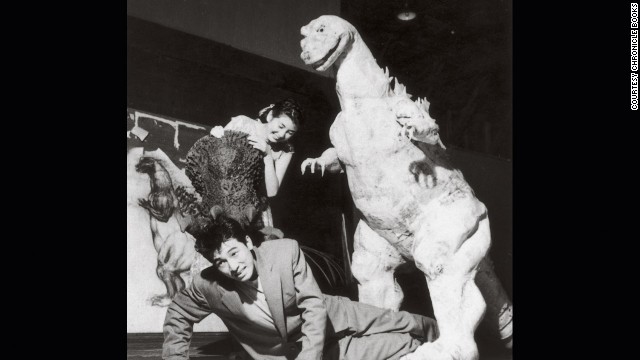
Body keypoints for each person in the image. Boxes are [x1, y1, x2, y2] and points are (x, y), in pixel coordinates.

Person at [163, 215, 439, 360]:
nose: (232, 266)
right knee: (401, 344)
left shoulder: (284, 252)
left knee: (403, 322)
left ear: (247, 242)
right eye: (221, 262)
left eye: (234, 253)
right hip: (299, 352)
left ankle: (450, 333)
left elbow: (313, 307)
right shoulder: (208, 284)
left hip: (328, 314)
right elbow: (178, 314)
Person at [213, 99, 302, 227]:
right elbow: (215, 160)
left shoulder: (286, 150)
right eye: (281, 126)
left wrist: (268, 155)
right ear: (271, 116)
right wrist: (215, 137)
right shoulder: (242, 123)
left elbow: (272, 192)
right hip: (222, 195)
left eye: (290, 132)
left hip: (254, 209)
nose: (282, 134)